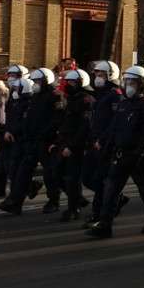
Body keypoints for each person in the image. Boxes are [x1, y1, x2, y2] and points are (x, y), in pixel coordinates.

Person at [86, 66, 144, 238]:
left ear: (141, 85)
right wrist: (105, 146)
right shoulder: (123, 104)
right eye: (127, 81)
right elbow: (113, 129)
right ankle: (105, 225)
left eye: (133, 82)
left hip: (138, 158)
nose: (128, 85)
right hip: (120, 155)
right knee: (111, 190)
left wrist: (137, 154)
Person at [0, 68, 63, 215]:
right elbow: (30, 118)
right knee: (23, 171)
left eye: (38, 81)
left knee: (49, 173)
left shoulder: (55, 96)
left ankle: (54, 200)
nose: (35, 84)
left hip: (46, 140)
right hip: (32, 139)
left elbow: (57, 119)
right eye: (34, 81)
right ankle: (15, 202)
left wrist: (47, 135)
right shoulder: (36, 96)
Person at [83, 62, 125, 228]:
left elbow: (114, 122)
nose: (97, 78)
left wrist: (104, 140)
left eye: (101, 74)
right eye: (96, 74)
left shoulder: (115, 94)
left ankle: (98, 214)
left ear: (110, 75)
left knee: (101, 180)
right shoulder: (99, 94)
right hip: (94, 142)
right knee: (86, 177)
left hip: (106, 145)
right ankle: (115, 198)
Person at [54, 69, 94, 221]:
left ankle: (73, 208)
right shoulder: (70, 99)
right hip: (65, 144)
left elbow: (84, 126)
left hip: (77, 147)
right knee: (57, 174)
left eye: (72, 82)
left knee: (73, 178)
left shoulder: (86, 100)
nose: (69, 85)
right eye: (68, 82)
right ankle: (77, 199)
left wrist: (71, 146)